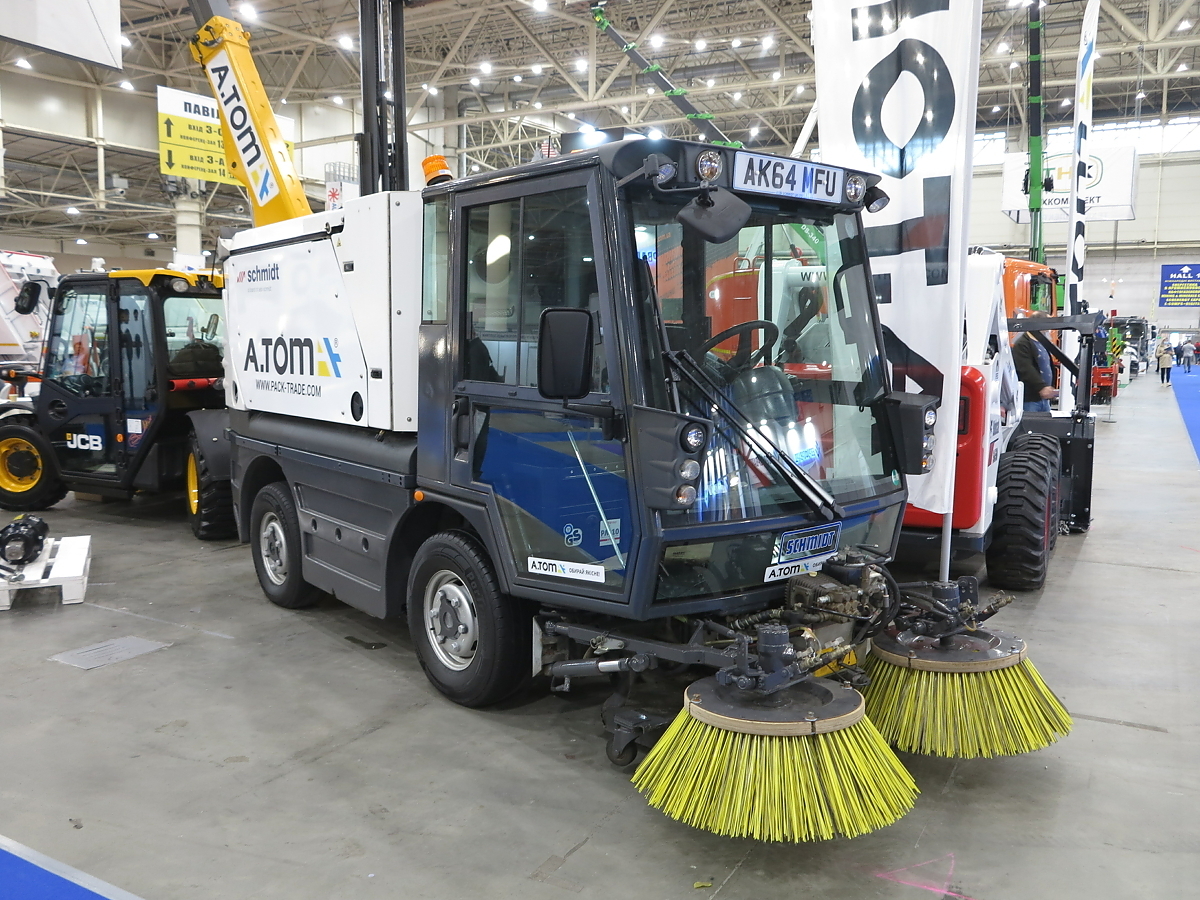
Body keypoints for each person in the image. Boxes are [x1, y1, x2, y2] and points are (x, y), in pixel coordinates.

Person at [1013, 315, 1058, 412]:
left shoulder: (1042, 342)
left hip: (1044, 399)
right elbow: (1025, 368)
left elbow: (1048, 366)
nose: (1048, 329)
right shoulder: (1023, 344)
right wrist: (1041, 387)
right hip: (1030, 400)